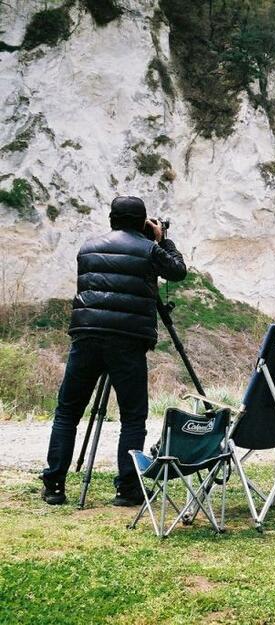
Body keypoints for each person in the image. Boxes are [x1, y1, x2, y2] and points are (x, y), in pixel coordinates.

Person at [41, 196, 187, 506]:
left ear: (111, 219)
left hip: (86, 335)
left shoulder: (88, 247)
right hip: (128, 340)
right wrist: (163, 239)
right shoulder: (150, 249)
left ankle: (54, 485)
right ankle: (127, 489)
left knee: (67, 412)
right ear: (142, 222)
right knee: (133, 417)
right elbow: (177, 271)